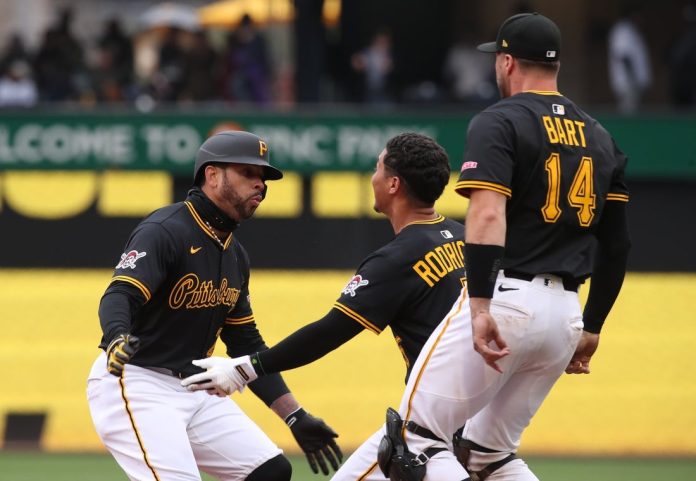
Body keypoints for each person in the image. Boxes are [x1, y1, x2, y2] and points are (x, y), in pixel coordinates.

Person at [180, 132, 467, 478]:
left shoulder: (398, 258)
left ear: (393, 185)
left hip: (434, 416)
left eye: (377, 168)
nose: (373, 177)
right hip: (478, 406)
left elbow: (329, 332)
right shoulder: (466, 238)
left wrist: (244, 369)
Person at [86, 131, 343, 481]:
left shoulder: (234, 253)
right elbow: (121, 293)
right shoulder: (165, 230)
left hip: (194, 386)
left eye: (263, 177)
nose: (260, 184)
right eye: (247, 173)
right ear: (212, 175)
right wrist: (117, 335)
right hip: (136, 380)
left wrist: (293, 415)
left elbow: (245, 343)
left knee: (270, 472)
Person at [607, 3, 652, 114]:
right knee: (629, 114)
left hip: (634, 83)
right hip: (628, 84)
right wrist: (633, 80)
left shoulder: (633, 31)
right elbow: (624, 57)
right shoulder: (622, 30)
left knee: (636, 113)